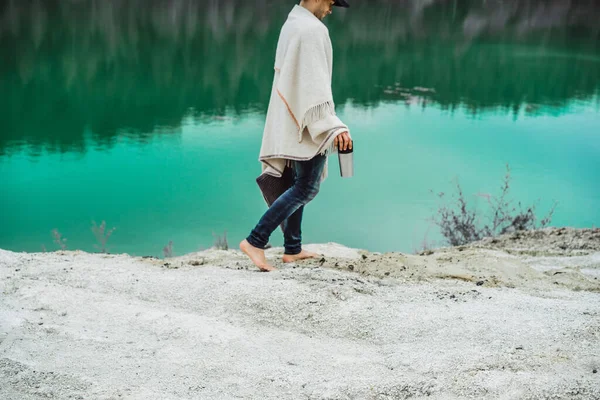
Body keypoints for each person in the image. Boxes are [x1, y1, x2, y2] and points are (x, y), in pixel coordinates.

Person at [240, 0, 352, 272]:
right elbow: (314, 89)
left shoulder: (292, 24)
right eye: (330, 2)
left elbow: (297, 82)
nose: (331, 9)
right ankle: (256, 240)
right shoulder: (313, 30)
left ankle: (293, 248)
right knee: (306, 187)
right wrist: (333, 126)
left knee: (296, 181)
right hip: (308, 121)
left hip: (292, 119)